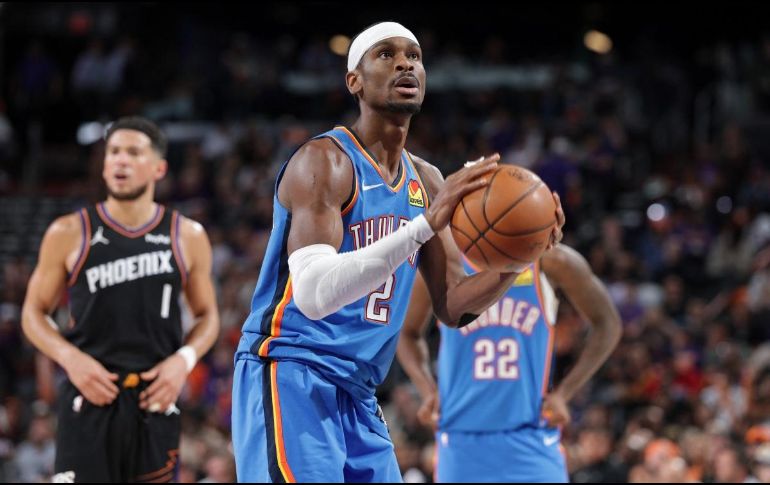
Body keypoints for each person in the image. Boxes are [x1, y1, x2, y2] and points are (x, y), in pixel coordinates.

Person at [231, 21, 565, 482]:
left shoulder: (427, 181)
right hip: (292, 370)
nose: (406, 63)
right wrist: (425, 224)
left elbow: (453, 304)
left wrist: (516, 258)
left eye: (415, 56)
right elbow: (313, 294)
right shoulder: (324, 161)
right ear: (355, 82)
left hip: (360, 390)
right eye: (386, 55)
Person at [21, 116, 220, 483]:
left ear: (159, 167)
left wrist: (184, 360)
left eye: (133, 152)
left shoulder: (186, 235)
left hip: (155, 400)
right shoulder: (68, 231)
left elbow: (208, 316)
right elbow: (33, 313)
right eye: (113, 152)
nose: (120, 161)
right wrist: (69, 357)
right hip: (88, 398)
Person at [398, 244, 621, 482]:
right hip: (460, 439)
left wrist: (564, 393)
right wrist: (427, 390)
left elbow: (608, 324)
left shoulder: (550, 260)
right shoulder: (444, 264)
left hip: (531, 436)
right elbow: (406, 332)